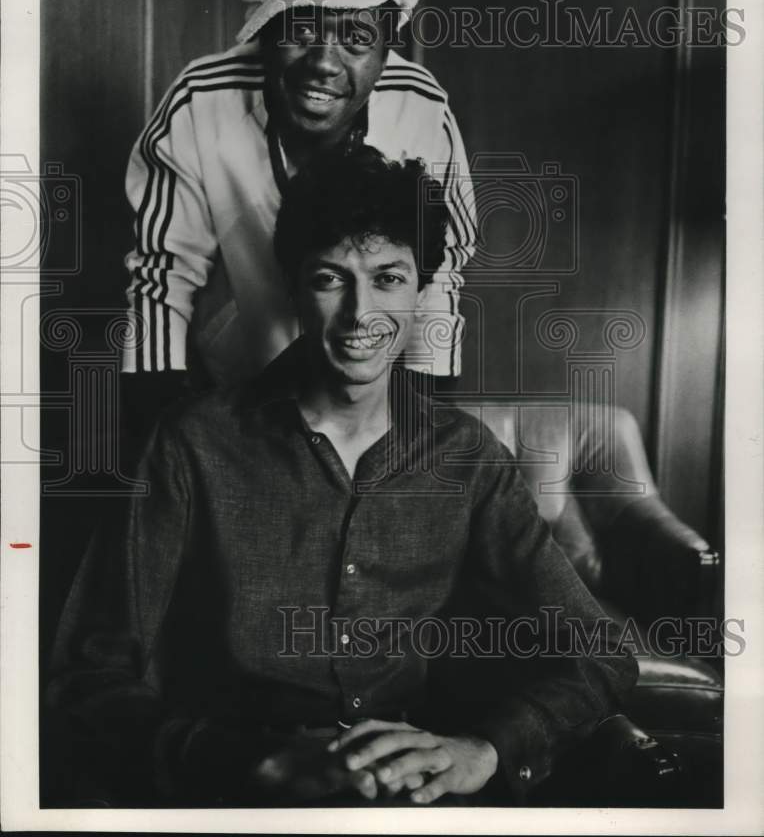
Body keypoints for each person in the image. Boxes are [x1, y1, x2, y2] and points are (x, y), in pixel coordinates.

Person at [46, 146, 637, 808]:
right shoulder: (193, 444)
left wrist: (487, 748)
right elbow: (86, 675)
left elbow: (602, 650)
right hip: (239, 797)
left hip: (416, 802)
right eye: (331, 279)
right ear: (295, 286)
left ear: (420, 290)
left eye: (387, 278)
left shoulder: (467, 459)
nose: (361, 314)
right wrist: (246, 761)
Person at [121, 0, 476, 443]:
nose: (324, 64)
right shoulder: (202, 98)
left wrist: (419, 437)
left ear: (385, 52)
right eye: (302, 30)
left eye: (356, 38)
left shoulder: (419, 104)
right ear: (262, 33)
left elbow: (438, 277)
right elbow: (161, 277)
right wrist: (162, 446)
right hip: (244, 371)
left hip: (376, 385)